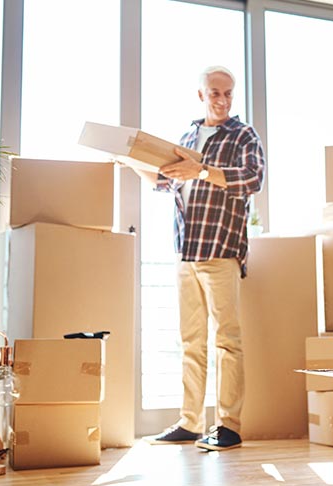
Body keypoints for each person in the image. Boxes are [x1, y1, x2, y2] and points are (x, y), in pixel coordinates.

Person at [144, 66, 265, 451]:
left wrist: (204, 170)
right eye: (215, 93)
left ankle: (228, 426)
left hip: (221, 250)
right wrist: (131, 162)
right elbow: (165, 182)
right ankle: (190, 422)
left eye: (228, 93)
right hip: (187, 252)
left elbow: (252, 178)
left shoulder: (243, 134)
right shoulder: (187, 137)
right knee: (190, 341)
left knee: (227, 340)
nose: (223, 100)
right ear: (201, 94)